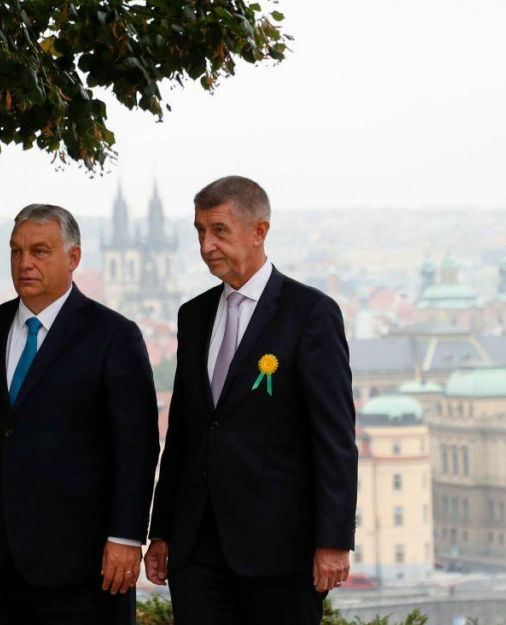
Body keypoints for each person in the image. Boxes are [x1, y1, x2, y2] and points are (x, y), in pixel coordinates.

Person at [144, 176, 358, 625]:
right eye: (200, 231)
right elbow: (183, 431)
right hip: (197, 549)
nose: (206, 245)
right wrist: (160, 531)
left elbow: (334, 437)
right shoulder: (194, 315)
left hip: (279, 550)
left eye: (219, 230)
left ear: (259, 231)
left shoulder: (310, 314)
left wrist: (334, 540)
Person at [0, 204, 160, 625]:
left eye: (40, 251)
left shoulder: (114, 335)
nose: (25, 263)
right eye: (16, 251)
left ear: (73, 258)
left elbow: (137, 447)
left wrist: (127, 535)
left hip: (85, 563)